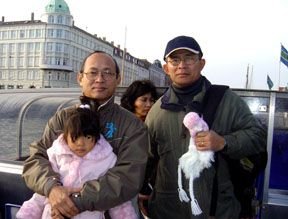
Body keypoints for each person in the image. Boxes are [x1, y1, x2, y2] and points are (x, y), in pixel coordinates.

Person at [139, 36, 267, 219]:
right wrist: (141, 189)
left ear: (201, 63)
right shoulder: (156, 111)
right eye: (175, 60)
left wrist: (224, 142)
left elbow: (259, 137)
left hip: (218, 210)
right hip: (167, 210)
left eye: (189, 58)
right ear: (166, 68)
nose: (182, 65)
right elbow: (147, 159)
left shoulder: (227, 101)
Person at [22, 51, 149, 219]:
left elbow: (127, 178)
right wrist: (51, 188)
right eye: (93, 72)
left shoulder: (132, 125)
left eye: (107, 73)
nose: (99, 79)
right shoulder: (62, 118)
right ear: (80, 77)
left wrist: (73, 202)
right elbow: (36, 158)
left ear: (118, 79)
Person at [17, 103, 137, 219]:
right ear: (65, 137)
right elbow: (42, 193)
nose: (81, 144)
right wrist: (28, 214)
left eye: (88, 137)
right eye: (75, 138)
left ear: (96, 137)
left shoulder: (106, 160)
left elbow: (116, 201)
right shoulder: (57, 155)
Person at [120, 79, 158, 218]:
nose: (149, 104)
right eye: (144, 100)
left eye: (152, 100)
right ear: (132, 101)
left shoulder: (154, 125)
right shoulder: (122, 126)